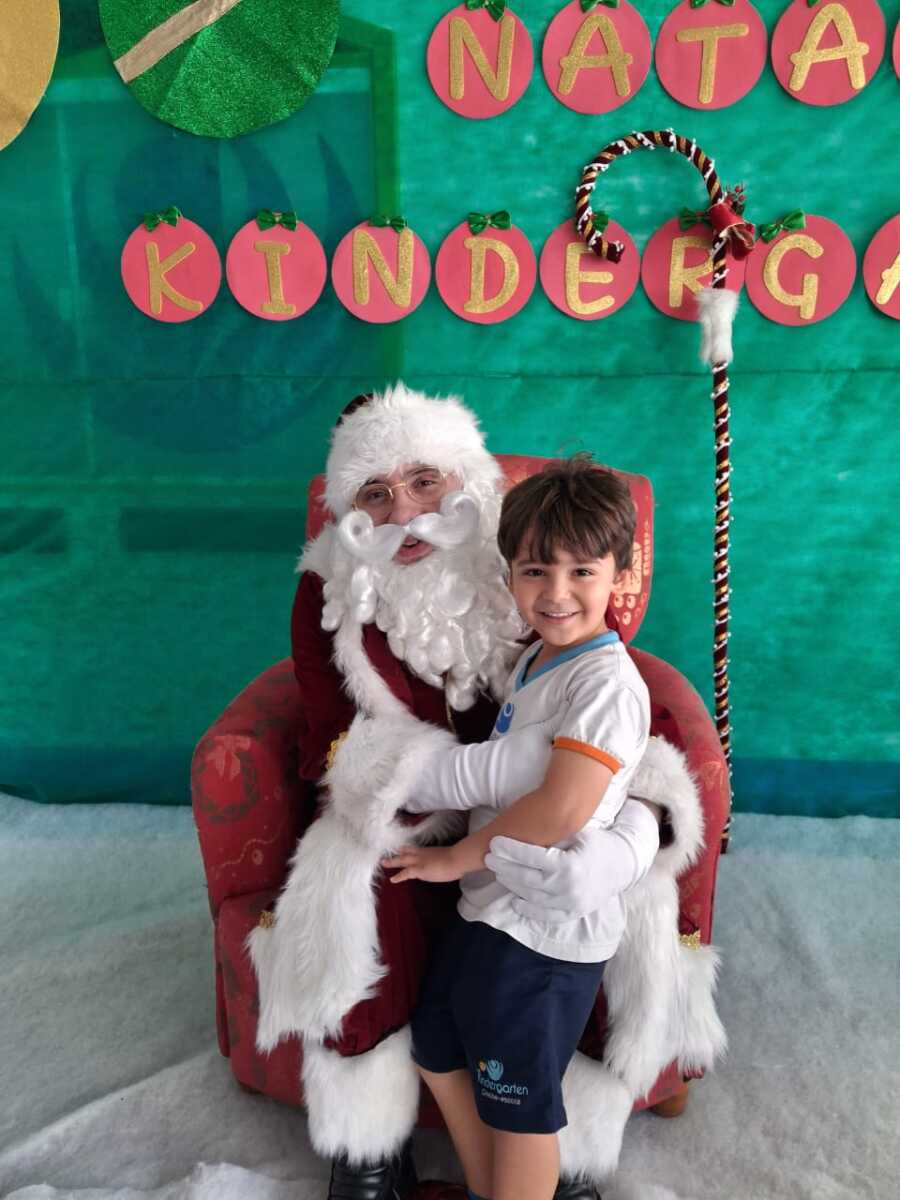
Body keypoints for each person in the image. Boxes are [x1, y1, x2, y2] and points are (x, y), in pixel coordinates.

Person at [248, 383, 723, 1200]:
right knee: (370, 904)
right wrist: (433, 783)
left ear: (465, 483)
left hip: (534, 857)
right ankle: (370, 1138)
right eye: (376, 494)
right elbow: (332, 732)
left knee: (542, 1008)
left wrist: (634, 835)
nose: (405, 512)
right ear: (351, 514)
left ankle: (558, 1151)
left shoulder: (532, 568)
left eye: (423, 481)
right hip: (411, 820)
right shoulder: (333, 591)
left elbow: (627, 725)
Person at [383, 459, 652, 1200]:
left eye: (581, 572)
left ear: (620, 574)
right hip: (493, 909)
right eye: (536, 571)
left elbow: (564, 807)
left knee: (519, 1104)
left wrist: (459, 857)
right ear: (510, 575)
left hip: (544, 931)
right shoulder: (539, 656)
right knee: (439, 1045)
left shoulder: (606, 685)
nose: (557, 593)